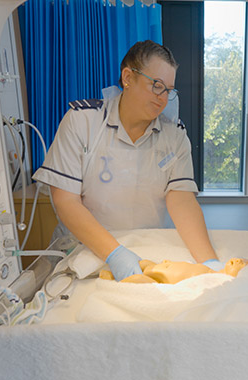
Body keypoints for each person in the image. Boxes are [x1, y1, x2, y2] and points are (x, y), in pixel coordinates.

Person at [33, 40, 218, 281]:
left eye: (169, 90)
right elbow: (66, 200)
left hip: (141, 250)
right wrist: (115, 254)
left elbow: (181, 199)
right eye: (157, 86)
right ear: (128, 77)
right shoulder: (83, 122)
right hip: (82, 249)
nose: (163, 98)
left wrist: (210, 262)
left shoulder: (174, 135)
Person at [99, 258, 248, 284]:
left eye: (242, 265)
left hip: (162, 281)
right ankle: (118, 272)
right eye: (241, 260)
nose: (239, 261)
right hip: (162, 266)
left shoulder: (216, 283)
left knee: (138, 279)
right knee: (143, 263)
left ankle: (114, 279)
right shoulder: (212, 270)